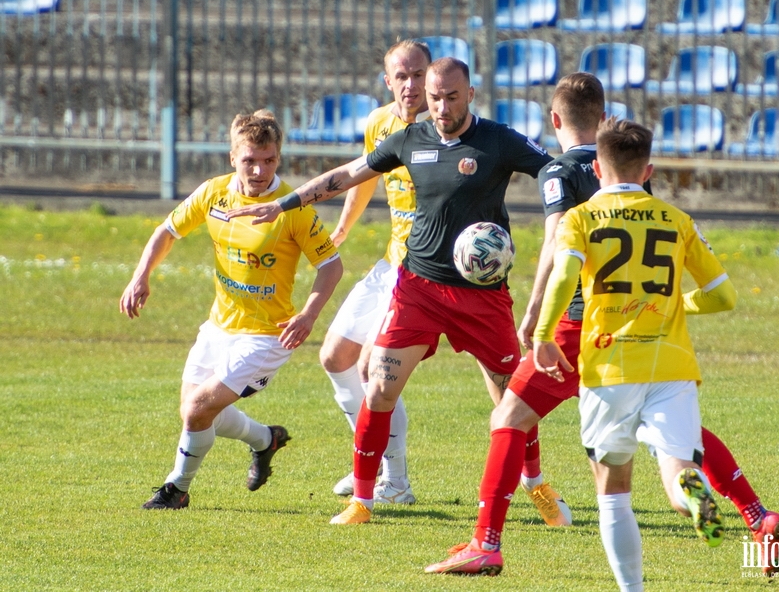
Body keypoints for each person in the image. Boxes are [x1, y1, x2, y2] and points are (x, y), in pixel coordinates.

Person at [425, 74, 779, 577]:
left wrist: (536, 322)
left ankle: (486, 542)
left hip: (583, 327)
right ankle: (754, 513)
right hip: (654, 338)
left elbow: (557, 246)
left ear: (556, 121)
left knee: (511, 420)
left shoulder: (559, 175)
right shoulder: (654, 198)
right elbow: (719, 291)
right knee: (677, 439)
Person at [226, 57, 554, 526]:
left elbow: (551, 170)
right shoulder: (410, 139)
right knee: (377, 387)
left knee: (511, 395)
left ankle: (536, 484)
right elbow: (347, 174)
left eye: (451, 97)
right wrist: (283, 203)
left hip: (482, 296)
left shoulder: (498, 140)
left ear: (470, 94)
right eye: (435, 97)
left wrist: (566, 203)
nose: (441, 107)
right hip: (417, 287)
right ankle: (364, 499)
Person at [533, 117, 735, 591]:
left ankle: (633, 590)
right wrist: (676, 303)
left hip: (609, 368)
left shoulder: (581, 217)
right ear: (648, 171)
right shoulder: (677, 220)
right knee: (678, 472)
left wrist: (544, 331)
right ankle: (692, 495)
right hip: (671, 366)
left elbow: (564, 277)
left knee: (614, 494)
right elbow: (723, 296)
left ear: (598, 170)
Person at [120, 109, 343, 509]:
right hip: (219, 326)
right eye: (249, 160)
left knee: (198, 409)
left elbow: (331, 265)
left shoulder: (292, 207)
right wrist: (141, 276)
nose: (259, 170)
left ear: (278, 157)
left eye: (269, 160)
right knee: (197, 413)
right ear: (232, 157)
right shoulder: (214, 193)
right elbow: (166, 231)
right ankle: (265, 440)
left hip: (268, 334)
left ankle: (177, 489)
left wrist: (308, 314)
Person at [321, 39, 432, 505]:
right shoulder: (379, 123)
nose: (411, 85)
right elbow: (364, 177)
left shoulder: (449, 128)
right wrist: (343, 228)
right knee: (334, 358)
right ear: (388, 81)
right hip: (390, 262)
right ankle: (370, 461)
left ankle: (396, 482)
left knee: (371, 365)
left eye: (418, 75)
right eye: (401, 77)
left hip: (424, 272)